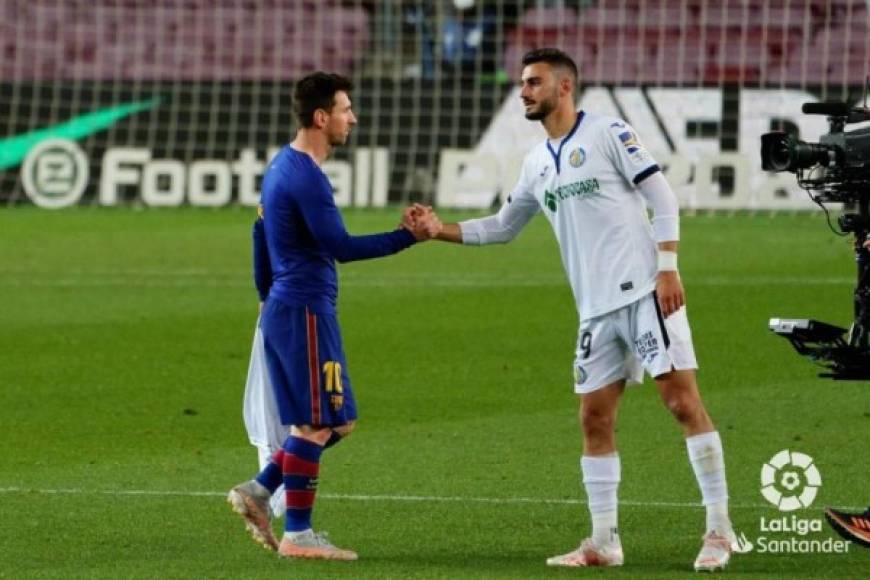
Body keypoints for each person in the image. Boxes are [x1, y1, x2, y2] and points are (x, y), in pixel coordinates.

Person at [410, 48, 736, 571]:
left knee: (681, 404)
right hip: (595, 311)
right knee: (594, 417)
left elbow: (663, 197)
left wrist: (668, 266)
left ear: (564, 87)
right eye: (522, 82)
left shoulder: (609, 132)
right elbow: (503, 226)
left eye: (533, 82)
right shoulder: (537, 162)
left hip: (645, 294)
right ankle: (603, 541)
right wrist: (437, 231)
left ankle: (719, 530)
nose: (523, 91)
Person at [227, 71, 441, 562]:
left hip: (289, 307)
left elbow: (258, 233)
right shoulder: (305, 176)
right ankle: (297, 534)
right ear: (322, 117)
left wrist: (265, 296)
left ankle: (259, 490)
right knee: (317, 424)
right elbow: (340, 247)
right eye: (346, 109)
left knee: (336, 421)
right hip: (303, 310)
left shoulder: (281, 166)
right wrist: (409, 236)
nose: (353, 118)